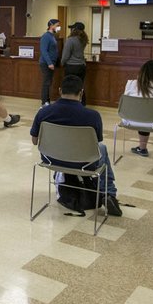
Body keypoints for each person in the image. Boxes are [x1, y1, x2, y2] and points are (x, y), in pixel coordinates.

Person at [30, 75, 121, 215]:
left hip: (51, 159)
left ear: (60, 91)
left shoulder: (43, 113)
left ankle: (65, 181)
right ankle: (108, 193)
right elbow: (96, 143)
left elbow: (35, 141)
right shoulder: (93, 115)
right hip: (83, 162)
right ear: (81, 92)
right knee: (102, 148)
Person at [123, 60, 153, 157]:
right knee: (150, 115)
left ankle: (142, 148)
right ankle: (143, 148)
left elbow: (127, 100)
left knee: (143, 115)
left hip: (130, 121)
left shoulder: (131, 84)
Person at [61, 22, 88, 105]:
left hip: (71, 67)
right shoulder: (83, 39)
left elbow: (65, 55)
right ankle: (82, 103)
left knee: (69, 86)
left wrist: (62, 63)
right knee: (80, 85)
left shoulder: (70, 40)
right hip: (81, 66)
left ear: (74, 29)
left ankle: (69, 104)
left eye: (72, 28)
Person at [39, 18, 60, 107]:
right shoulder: (46, 36)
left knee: (49, 82)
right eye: (57, 25)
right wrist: (49, 63)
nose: (58, 27)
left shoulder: (52, 36)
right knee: (46, 83)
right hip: (46, 63)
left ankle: (47, 101)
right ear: (51, 26)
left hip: (52, 63)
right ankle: (44, 102)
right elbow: (44, 51)